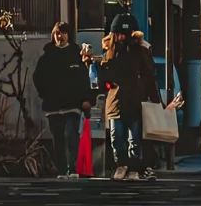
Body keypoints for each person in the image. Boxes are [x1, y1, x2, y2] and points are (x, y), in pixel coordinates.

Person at [90, 13, 160, 180]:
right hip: (116, 100)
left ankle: (133, 168)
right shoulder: (110, 51)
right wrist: (92, 63)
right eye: (118, 33)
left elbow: (149, 74)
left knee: (134, 139)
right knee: (117, 137)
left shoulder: (140, 50)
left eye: (124, 34)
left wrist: (155, 99)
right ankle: (121, 165)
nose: (121, 37)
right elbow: (104, 74)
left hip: (134, 100)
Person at [32, 21, 93, 179]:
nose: (60, 36)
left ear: (69, 35)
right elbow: (37, 77)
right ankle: (61, 170)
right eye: (58, 33)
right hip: (53, 104)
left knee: (71, 134)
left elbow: (83, 78)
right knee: (57, 138)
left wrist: (86, 99)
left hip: (72, 103)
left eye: (64, 33)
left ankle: (72, 168)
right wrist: (44, 93)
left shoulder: (75, 53)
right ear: (54, 35)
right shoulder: (47, 56)